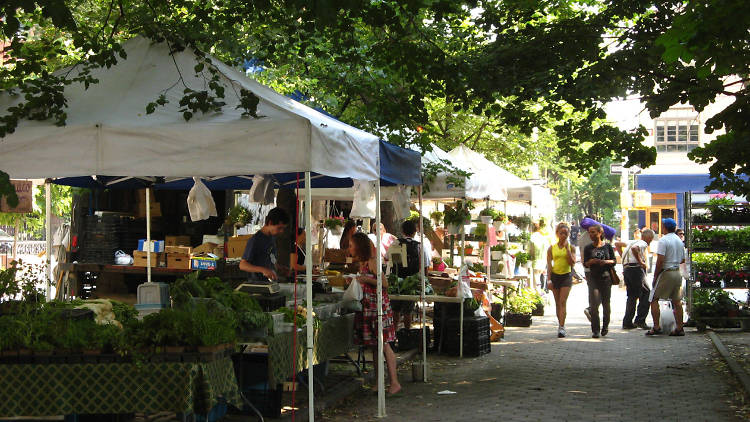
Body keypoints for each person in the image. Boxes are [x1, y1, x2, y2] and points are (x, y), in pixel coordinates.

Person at [348, 232, 402, 394]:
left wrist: (365, 280)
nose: (349, 248)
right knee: (375, 347)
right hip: (368, 307)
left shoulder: (372, 261)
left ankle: (394, 382)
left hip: (378, 308)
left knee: (384, 345)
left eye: (351, 245)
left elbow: (384, 283)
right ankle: (379, 382)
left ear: (359, 246)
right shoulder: (362, 262)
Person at [646, 218, 686, 336]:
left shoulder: (663, 240)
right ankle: (680, 327)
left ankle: (656, 326)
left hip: (666, 272)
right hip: (677, 272)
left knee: (653, 298)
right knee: (677, 301)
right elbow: (683, 259)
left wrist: (655, 276)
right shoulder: (679, 241)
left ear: (664, 227)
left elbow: (660, 260)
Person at [389, 219, 431, 329]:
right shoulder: (420, 246)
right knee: (408, 311)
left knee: (395, 310)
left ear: (402, 231)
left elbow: (389, 260)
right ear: (414, 232)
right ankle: (407, 333)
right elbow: (426, 265)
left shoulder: (395, 243)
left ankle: (394, 334)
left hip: (396, 282)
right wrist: (424, 283)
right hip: (412, 283)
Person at [583, 224, 617, 338]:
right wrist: (591, 262)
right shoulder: (588, 248)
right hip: (593, 278)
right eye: (589, 232)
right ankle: (595, 330)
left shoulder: (607, 247)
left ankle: (605, 326)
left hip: (606, 278)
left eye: (593, 232)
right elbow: (585, 263)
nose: (591, 234)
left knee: (606, 304)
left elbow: (614, 261)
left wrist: (605, 262)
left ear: (600, 233)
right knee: (594, 305)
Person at [239, 207, 289, 281]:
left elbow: (270, 256)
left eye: (283, 228)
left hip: (269, 282)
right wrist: (263, 270)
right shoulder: (255, 240)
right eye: (279, 228)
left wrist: (278, 267)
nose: (281, 231)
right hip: (257, 283)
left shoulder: (272, 237)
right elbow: (242, 265)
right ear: (270, 223)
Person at [620, 229, 655, 329]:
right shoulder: (643, 243)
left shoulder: (632, 241)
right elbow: (635, 249)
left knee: (632, 296)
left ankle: (627, 322)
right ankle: (640, 320)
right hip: (635, 269)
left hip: (627, 268)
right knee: (647, 292)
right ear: (649, 238)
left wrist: (624, 259)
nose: (650, 242)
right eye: (651, 239)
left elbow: (618, 244)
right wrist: (641, 262)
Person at [546, 222, 576, 338]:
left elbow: (572, 263)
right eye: (561, 233)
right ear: (557, 234)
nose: (563, 235)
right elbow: (549, 265)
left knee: (563, 301)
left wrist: (567, 249)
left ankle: (562, 327)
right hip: (555, 276)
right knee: (557, 302)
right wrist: (549, 280)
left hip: (566, 276)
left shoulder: (571, 247)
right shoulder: (551, 248)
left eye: (566, 233)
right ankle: (560, 323)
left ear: (568, 234)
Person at [530, 222, 549, 292]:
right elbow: (548, 249)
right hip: (543, 261)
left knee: (536, 280)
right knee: (540, 278)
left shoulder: (532, 237)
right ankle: (541, 293)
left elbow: (530, 251)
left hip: (535, 261)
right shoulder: (543, 237)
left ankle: (538, 295)